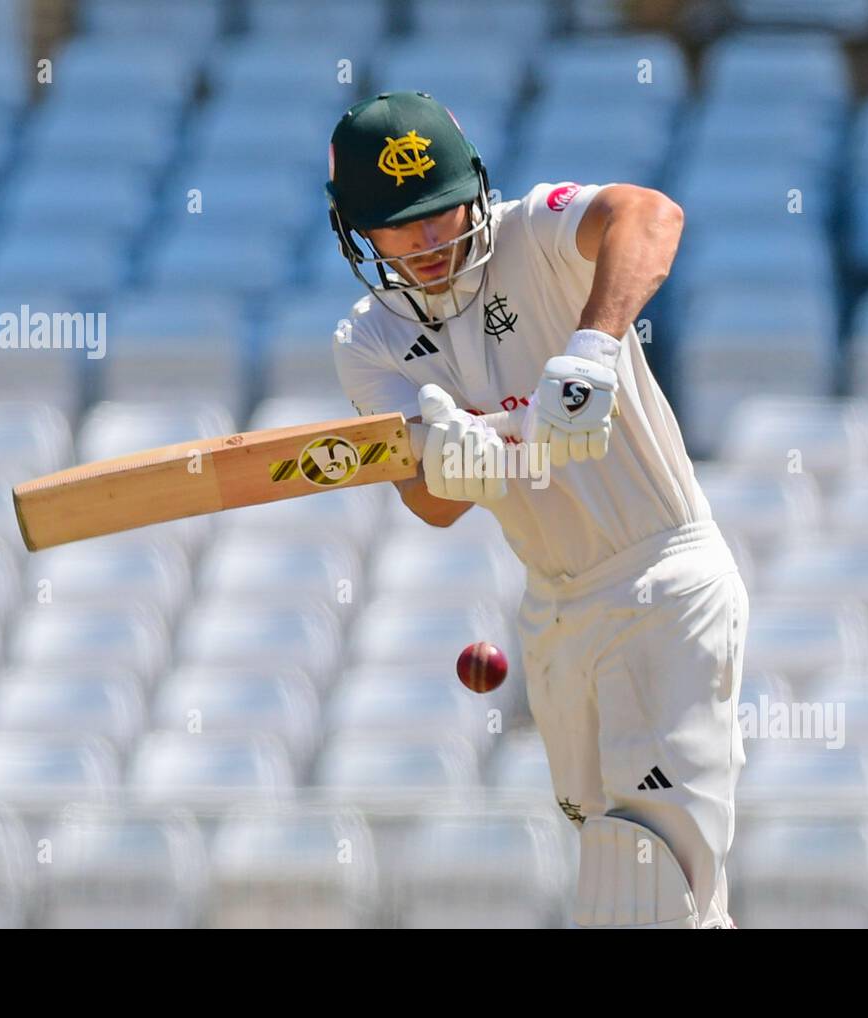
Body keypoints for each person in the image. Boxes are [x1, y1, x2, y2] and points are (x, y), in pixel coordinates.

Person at [326, 90, 748, 929]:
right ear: (359, 234)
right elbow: (429, 503)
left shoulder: (537, 230)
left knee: (647, 876)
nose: (433, 238)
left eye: (444, 211)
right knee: (631, 884)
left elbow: (650, 214)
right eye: (404, 224)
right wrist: (459, 464)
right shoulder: (367, 341)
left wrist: (592, 345)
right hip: (553, 612)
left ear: (475, 189)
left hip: (664, 577)